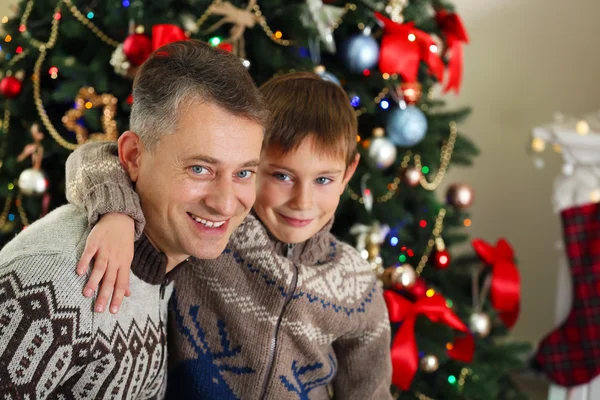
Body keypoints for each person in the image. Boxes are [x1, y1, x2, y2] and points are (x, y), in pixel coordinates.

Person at [67, 72, 392, 399]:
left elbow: (371, 392)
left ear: (348, 173)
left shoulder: (357, 285)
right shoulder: (213, 230)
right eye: (281, 175)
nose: (302, 202)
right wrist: (117, 214)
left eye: (323, 180)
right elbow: (95, 156)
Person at [0, 39, 267, 398]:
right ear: (133, 156)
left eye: (244, 173)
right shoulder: (50, 286)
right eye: (200, 168)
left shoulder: (169, 256)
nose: (224, 204)